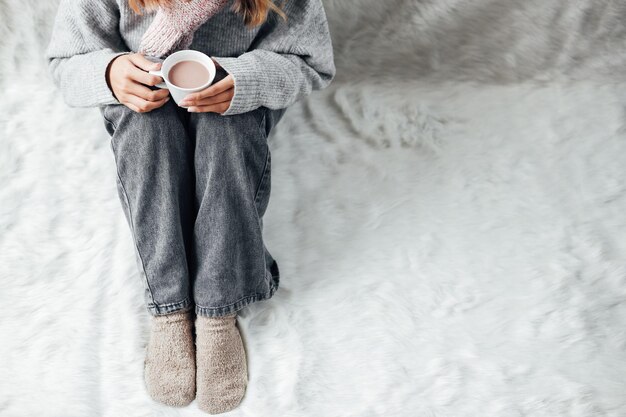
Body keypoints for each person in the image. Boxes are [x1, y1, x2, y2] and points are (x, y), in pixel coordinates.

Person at [44, 0, 335, 413]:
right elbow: (65, 61)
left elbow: (311, 62)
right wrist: (109, 73)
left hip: (236, 107)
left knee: (226, 134)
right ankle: (170, 309)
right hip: (142, 106)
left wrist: (246, 79)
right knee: (148, 134)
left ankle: (218, 311)